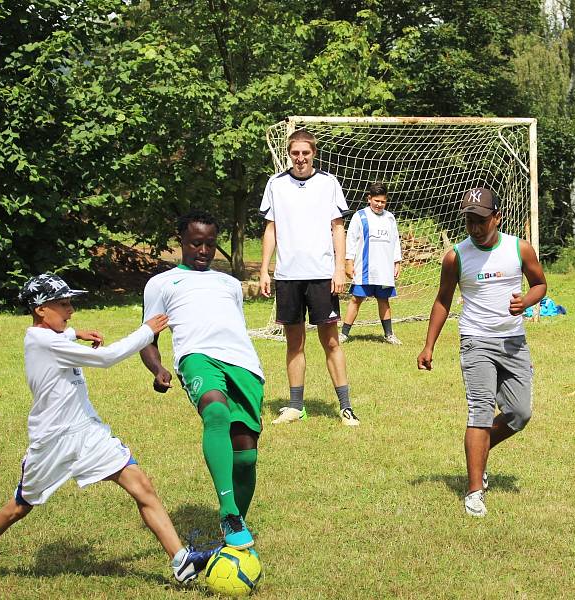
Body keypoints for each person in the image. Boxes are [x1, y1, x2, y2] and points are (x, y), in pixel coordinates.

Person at [0, 274, 213, 583]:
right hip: (53, 440)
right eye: (64, 304)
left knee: (141, 484)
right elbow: (106, 358)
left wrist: (76, 332)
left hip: (87, 432)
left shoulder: (51, 336)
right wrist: (147, 331)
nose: (71, 310)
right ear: (40, 309)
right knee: (19, 507)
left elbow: (61, 337)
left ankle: (181, 561)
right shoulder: (44, 342)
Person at [417, 188, 547, 517]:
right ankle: (475, 489)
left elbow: (540, 284)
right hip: (475, 342)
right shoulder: (456, 256)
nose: (475, 227)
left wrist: (526, 302)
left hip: (513, 343)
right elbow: (443, 300)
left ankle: (479, 451)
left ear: (497, 218)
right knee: (479, 411)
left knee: (520, 414)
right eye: (469, 220)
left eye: (481, 220)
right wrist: (429, 344)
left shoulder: (519, 248)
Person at [140, 210, 264, 550]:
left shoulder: (229, 283)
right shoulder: (162, 283)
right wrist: (158, 369)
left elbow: (236, 328)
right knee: (215, 412)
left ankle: (235, 522)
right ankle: (227, 512)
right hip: (197, 357)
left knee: (246, 455)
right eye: (196, 243)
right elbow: (147, 339)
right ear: (182, 241)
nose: (204, 251)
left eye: (210, 244)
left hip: (244, 365)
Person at [259, 128, 360, 426]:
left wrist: (339, 268)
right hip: (289, 276)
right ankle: (295, 405)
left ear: (313, 153)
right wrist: (265, 269)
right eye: (295, 153)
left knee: (330, 342)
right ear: (288, 154)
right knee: (294, 343)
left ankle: (345, 407)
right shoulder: (276, 184)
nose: (300, 158)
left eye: (305, 153)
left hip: (321, 275)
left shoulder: (328, 183)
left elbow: (338, 227)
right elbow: (271, 229)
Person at [340, 181, 403, 345]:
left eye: (383, 201)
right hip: (364, 269)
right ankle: (344, 333)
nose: (379, 204)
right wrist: (349, 261)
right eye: (376, 201)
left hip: (384, 269)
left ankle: (389, 334)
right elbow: (351, 240)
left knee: (384, 300)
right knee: (356, 299)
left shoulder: (390, 218)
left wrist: (397, 262)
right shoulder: (360, 216)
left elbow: (395, 241)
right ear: (369, 199)